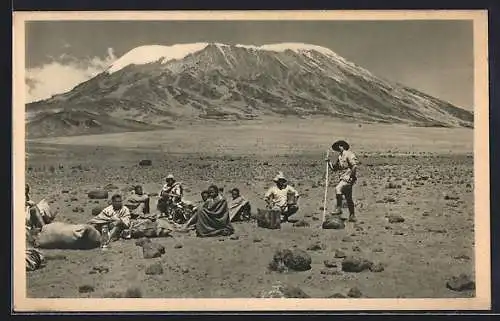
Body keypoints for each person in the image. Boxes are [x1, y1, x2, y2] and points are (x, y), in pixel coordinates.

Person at [325, 140, 359, 222]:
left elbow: (354, 166)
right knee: (348, 198)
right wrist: (329, 162)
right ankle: (352, 215)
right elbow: (334, 168)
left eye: (339, 146)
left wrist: (351, 177)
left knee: (338, 189)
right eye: (337, 147)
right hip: (342, 178)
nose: (338, 148)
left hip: (348, 178)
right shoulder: (340, 157)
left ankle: (339, 208)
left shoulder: (349, 154)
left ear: (343, 146)